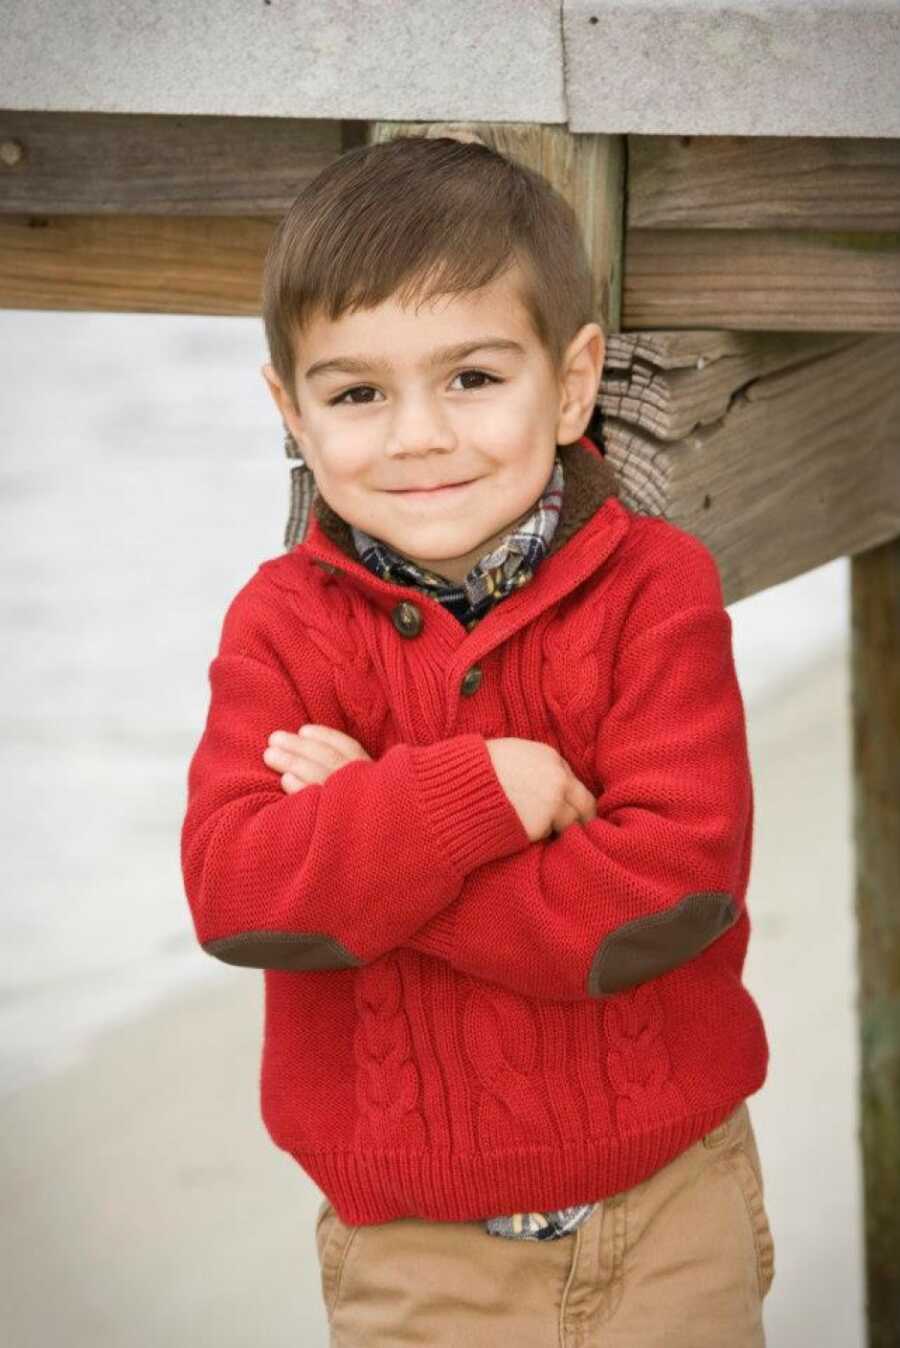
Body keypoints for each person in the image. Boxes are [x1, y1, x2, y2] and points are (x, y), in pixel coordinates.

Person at [180, 133, 774, 1346]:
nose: (416, 436)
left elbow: (660, 903)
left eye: (472, 378)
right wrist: (472, 794)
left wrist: (383, 836)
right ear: (290, 410)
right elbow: (240, 895)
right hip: (413, 1253)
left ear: (570, 382)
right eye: (357, 393)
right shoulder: (282, 626)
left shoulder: (657, 591)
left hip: (670, 1208)